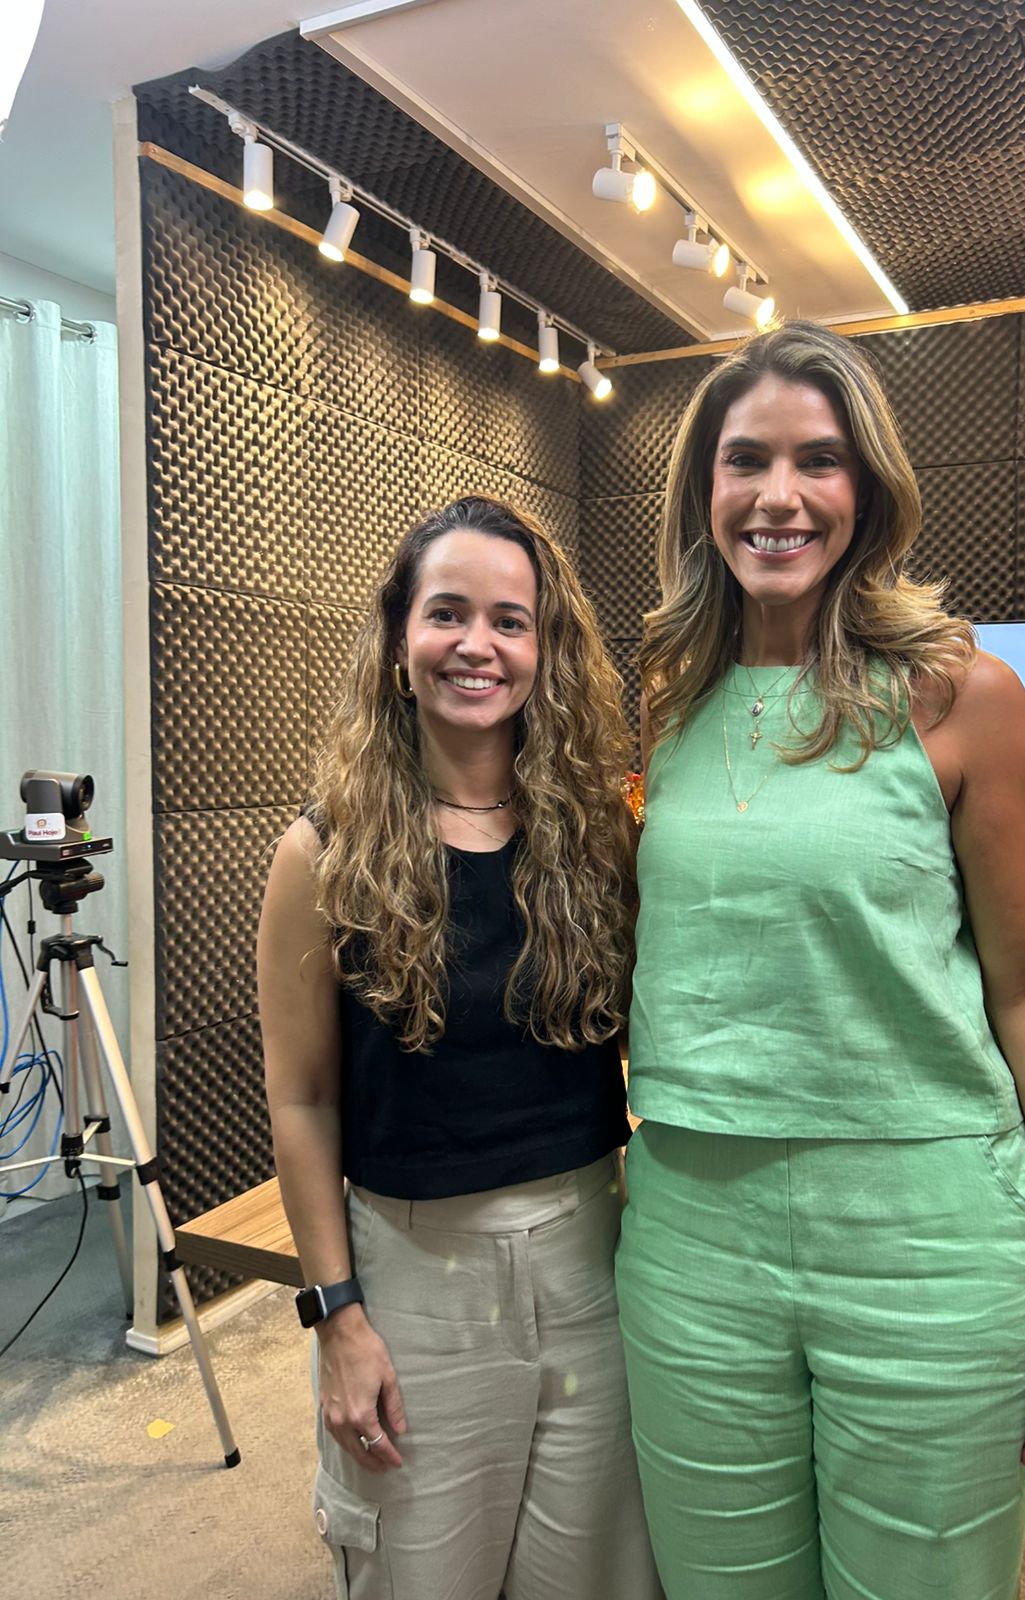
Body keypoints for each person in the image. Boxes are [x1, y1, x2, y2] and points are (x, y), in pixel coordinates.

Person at [616, 322, 1025, 1600]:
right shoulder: (669, 703)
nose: (778, 496)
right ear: (704, 489)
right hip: (691, 1236)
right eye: (746, 460)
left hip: (928, 1240)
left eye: (818, 461)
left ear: (869, 489)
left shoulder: (963, 696)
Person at [258, 495, 661, 1600]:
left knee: (595, 1579)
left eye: (509, 620)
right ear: (400, 640)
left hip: (593, 1258)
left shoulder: (599, 838)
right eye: (447, 613)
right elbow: (301, 1100)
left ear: (545, 649)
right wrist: (337, 1318)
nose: (477, 644)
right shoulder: (322, 851)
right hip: (412, 1276)